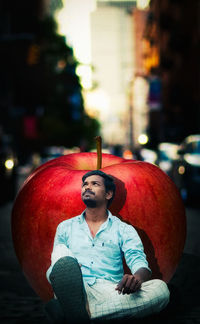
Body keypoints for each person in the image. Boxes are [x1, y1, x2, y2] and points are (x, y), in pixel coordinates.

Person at [45, 170, 170, 323]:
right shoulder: (65, 227)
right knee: (61, 253)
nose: (87, 187)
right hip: (74, 288)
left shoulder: (124, 230)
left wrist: (137, 278)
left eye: (94, 184)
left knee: (161, 289)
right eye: (85, 184)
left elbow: (139, 262)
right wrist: (68, 268)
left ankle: (74, 314)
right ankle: (87, 311)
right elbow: (54, 270)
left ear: (108, 194)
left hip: (111, 291)